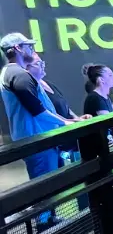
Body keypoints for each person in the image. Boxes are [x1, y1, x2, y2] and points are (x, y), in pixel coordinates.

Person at [2, 34, 68, 200]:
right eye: (28, 46)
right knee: (44, 189)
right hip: (37, 140)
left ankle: (49, 221)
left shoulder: (12, 72)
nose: (32, 49)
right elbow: (37, 110)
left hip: (38, 139)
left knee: (48, 187)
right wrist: (66, 122)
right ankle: (45, 224)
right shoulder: (18, 74)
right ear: (17, 48)